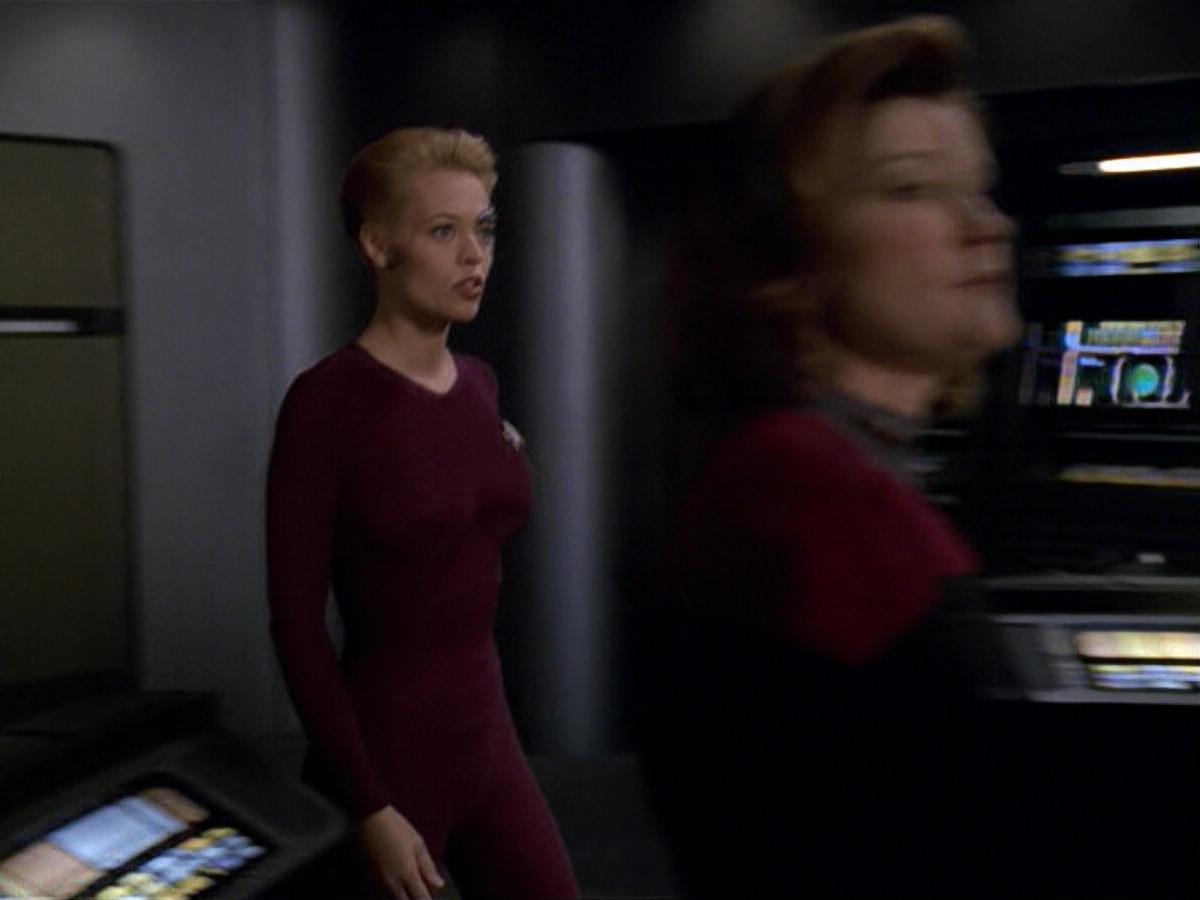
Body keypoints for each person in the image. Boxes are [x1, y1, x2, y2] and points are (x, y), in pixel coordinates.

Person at [637, 16, 1024, 898]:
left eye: (982, 189)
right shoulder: (811, 493)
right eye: (911, 188)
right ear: (792, 252)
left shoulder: (785, 465)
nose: (986, 227)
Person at [266, 127, 578, 900]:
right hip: (387, 756)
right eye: (444, 232)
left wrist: (502, 451)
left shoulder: (479, 383)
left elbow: (464, 501)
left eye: (485, 229)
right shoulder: (326, 403)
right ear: (379, 246)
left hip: (486, 734)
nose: (476, 257)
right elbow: (297, 627)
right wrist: (369, 806)